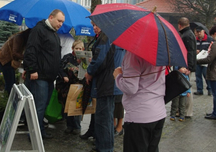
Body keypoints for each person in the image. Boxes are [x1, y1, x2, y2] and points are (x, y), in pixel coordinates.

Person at [23, 9, 65, 139]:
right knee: (38, 107)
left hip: (49, 77)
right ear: (51, 17)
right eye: (59, 21)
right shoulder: (39, 30)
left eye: (62, 22)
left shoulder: (53, 33)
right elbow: (30, 50)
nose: (60, 24)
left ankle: (40, 131)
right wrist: (32, 69)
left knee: (43, 106)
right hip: (39, 76)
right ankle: (34, 135)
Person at [113, 51, 166, 152]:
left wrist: (118, 76)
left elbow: (130, 88)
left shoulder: (133, 54)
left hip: (139, 116)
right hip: (158, 112)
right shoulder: (159, 52)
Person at [84, 21, 124, 152]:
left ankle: (105, 148)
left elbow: (99, 59)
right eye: (92, 25)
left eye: (96, 24)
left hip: (105, 83)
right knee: (105, 117)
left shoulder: (106, 36)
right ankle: (103, 146)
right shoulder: (114, 35)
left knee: (104, 118)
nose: (94, 28)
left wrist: (89, 72)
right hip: (110, 83)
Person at [56, 40, 84, 135]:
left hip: (78, 86)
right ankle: (69, 125)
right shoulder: (67, 57)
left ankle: (77, 126)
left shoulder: (84, 59)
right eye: (77, 48)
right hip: (66, 86)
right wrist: (64, 75)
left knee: (76, 107)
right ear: (73, 48)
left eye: (80, 49)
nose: (78, 50)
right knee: (67, 106)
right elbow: (60, 68)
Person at [197, 25, 216, 120]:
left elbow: (210, 59)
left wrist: (197, 60)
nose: (211, 37)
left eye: (212, 35)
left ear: (215, 34)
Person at [0, 28, 31, 94]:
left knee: (11, 82)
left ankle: (8, 98)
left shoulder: (19, 37)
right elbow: (15, 52)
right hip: (6, 61)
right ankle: (10, 100)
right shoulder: (19, 38)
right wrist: (27, 58)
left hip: (5, 60)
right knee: (10, 83)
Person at [178, 17, 197, 118]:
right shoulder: (189, 34)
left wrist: (189, 67)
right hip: (187, 65)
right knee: (185, 87)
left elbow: (190, 52)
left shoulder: (187, 35)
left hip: (186, 66)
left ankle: (187, 111)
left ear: (180, 25)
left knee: (187, 88)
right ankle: (183, 110)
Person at [194, 25, 213, 96]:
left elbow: (211, 49)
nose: (199, 34)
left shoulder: (209, 39)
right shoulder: (195, 40)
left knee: (206, 75)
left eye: (200, 32)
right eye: (197, 32)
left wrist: (202, 51)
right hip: (198, 60)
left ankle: (210, 89)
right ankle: (199, 90)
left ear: (203, 32)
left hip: (206, 61)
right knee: (198, 76)